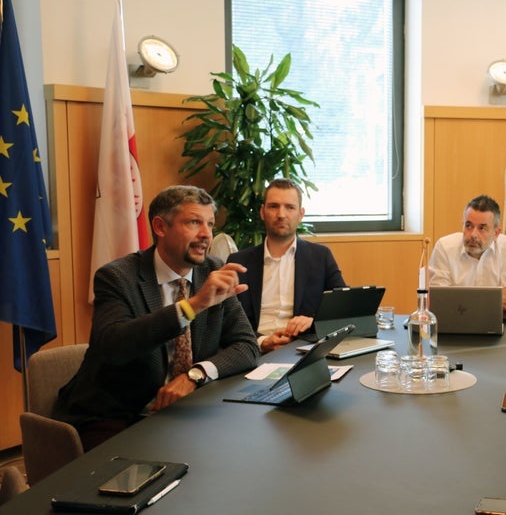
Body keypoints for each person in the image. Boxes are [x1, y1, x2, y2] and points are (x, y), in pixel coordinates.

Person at [53, 186, 260, 451]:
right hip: (115, 414)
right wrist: (194, 305)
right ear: (160, 227)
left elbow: (247, 346)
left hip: (184, 411)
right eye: (194, 222)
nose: (206, 235)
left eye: (209, 224)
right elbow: (113, 346)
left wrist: (195, 375)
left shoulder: (213, 269)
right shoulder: (117, 277)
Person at [228, 178, 346, 353]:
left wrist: (313, 321)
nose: (281, 214)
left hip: (304, 351)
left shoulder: (320, 256)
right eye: (273, 206)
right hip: (254, 352)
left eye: (290, 207)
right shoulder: (239, 262)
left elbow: (343, 309)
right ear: (262, 212)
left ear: (301, 214)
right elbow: (228, 322)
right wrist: (262, 342)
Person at [428, 194, 506, 317]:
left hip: (502, 323)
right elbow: (440, 302)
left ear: (496, 233)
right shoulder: (444, 247)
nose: (473, 235)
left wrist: (460, 301)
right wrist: (495, 300)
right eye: (468, 226)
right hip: (456, 322)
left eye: (482, 228)